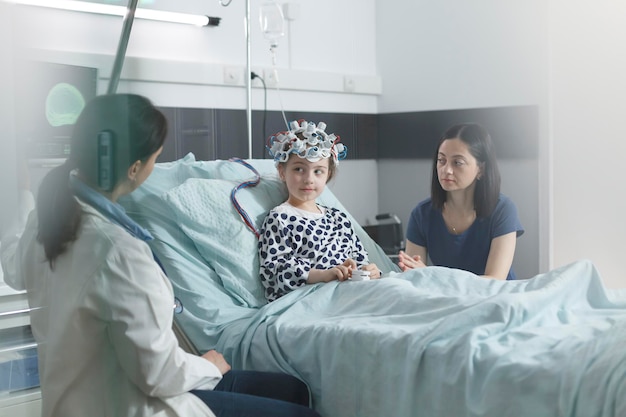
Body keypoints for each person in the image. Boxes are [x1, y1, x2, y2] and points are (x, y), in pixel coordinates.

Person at [4, 94, 320, 417]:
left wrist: (22, 192)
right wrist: (207, 365)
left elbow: (11, 268)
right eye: (156, 158)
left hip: (75, 401)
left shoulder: (44, 222)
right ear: (135, 168)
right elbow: (158, 375)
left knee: (293, 390)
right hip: (132, 404)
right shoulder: (119, 252)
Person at [259, 120, 381, 302]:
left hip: (356, 291)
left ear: (328, 175)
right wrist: (323, 275)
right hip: (316, 298)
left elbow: (360, 259)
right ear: (282, 172)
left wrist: (371, 271)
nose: (309, 179)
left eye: (318, 171)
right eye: (299, 169)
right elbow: (275, 273)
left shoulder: (338, 219)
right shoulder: (280, 218)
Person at [397, 123, 524, 280]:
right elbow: (413, 275)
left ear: (481, 169)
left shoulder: (503, 209)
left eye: (457, 162)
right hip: (447, 300)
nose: (446, 170)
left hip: (495, 299)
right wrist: (424, 275)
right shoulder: (421, 214)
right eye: (441, 160)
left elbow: (494, 280)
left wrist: (433, 276)